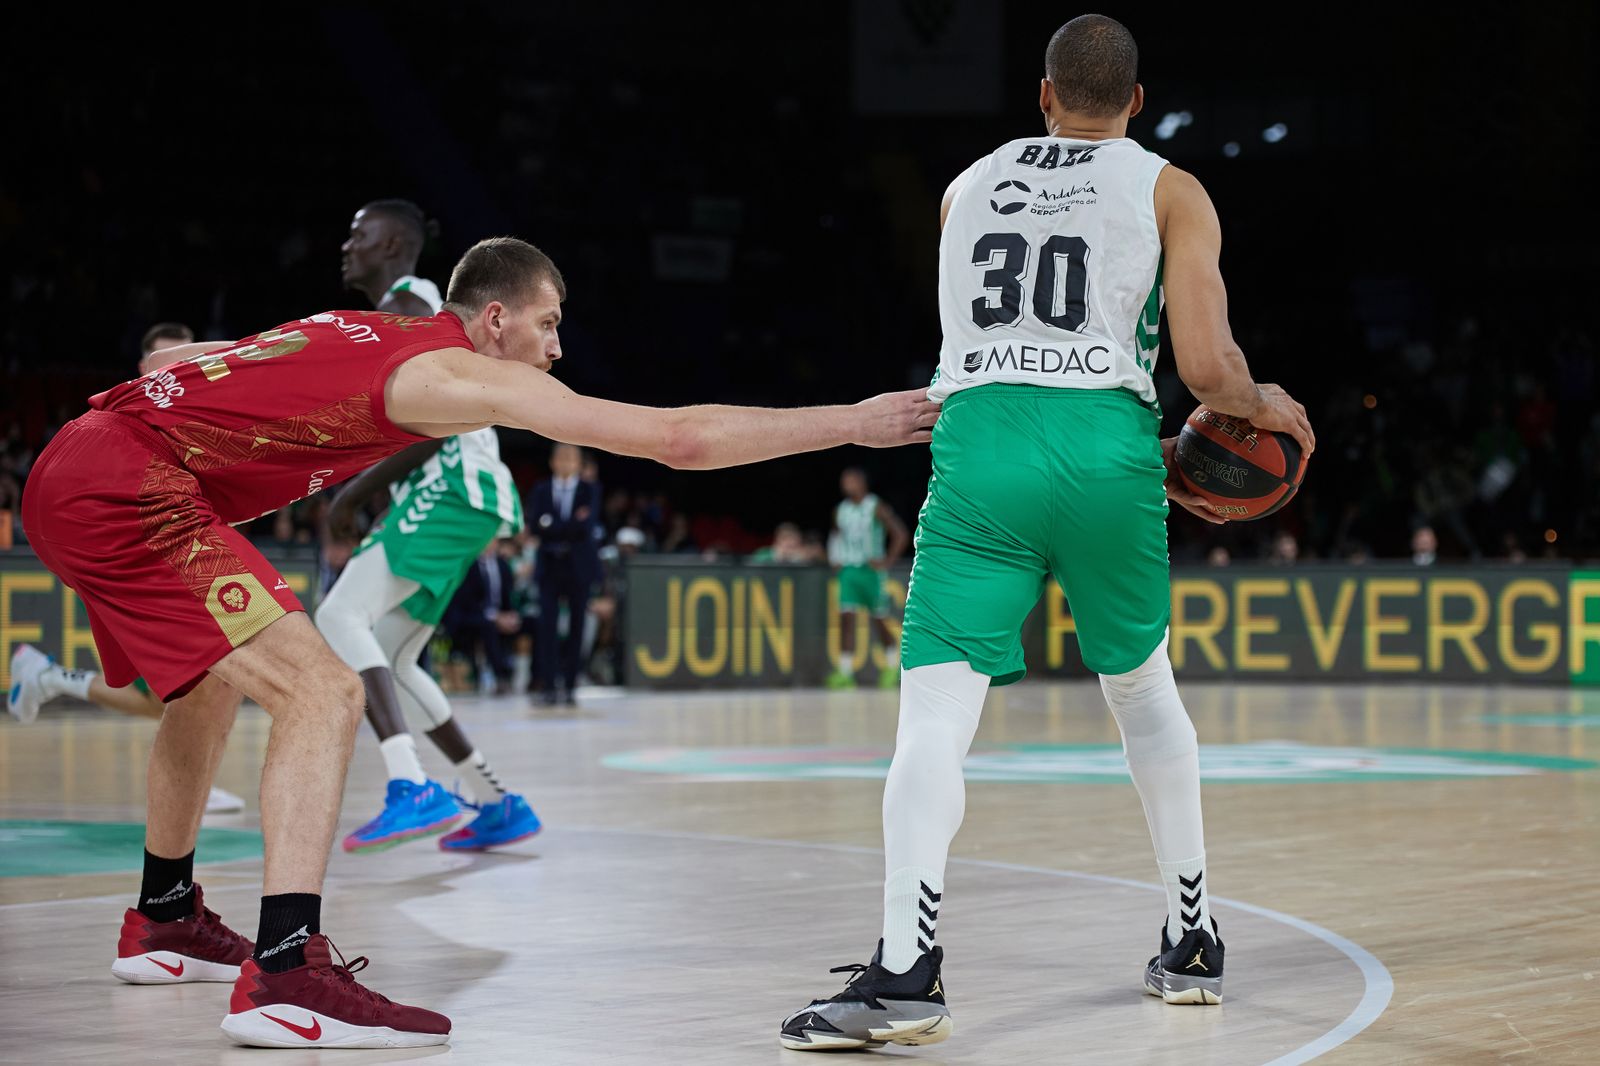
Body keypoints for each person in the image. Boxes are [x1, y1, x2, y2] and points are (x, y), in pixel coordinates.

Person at [21, 235, 935, 1049]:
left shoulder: (367, 328)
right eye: (549, 324)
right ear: (494, 320)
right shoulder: (457, 374)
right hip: (132, 488)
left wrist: (175, 373)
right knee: (325, 692)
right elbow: (676, 439)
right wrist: (854, 423)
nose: (558, 349)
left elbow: (215, 354)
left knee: (209, 686)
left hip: (89, 458)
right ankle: (288, 973)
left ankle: (167, 916)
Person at [780, 16, 1313, 1051]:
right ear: (1138, 103)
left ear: (1042, 96)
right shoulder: (1169, 186)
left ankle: (905, 971)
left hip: (980, 446)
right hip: (1110, 449)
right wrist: (1266, 402)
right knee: (1143, 691)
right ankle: (1194, 940)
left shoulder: (963, 186)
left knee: (935, 715)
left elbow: (1012, 332)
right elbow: (1205, 372)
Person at [316, 201, 539, 854]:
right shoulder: (397, 311)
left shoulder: (410, 301)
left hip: (453, 484)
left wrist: (350, 499)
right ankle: (497, 802)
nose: (346, 244)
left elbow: (442, 414)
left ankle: (409, 785)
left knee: (338, 617)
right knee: (393, 653)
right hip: (460, 493)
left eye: (358, 233)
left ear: (390, 244)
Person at [8, 322, 245, 816]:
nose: (176, 367)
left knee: (183, 686)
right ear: (143, 369)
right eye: (165, 359)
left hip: (163, 547)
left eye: (185, 358)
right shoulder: (123, 414)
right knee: (203, 675)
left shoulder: (198, 414)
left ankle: (49, 677)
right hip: (126, 548)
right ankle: (191, 784)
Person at [527, 443, 602, 705]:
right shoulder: (541, 489)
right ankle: (548, 686)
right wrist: (568, 525)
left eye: (572, 457)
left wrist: (553, 525)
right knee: (546, 626)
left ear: (579, 463)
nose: (566, 461)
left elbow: (586, 526)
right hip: (549, 565)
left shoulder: (590, 490)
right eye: (562, 456)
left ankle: (570, 685)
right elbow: (536, 525)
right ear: (552, 462)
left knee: (577, 627)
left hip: (578, 567)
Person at [826, 468, 909, 689]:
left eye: (851, 480)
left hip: (871, 572)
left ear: (862, 482)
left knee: (878, 620)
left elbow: (900, 533)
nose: (847, 484)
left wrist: (887, 560)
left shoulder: (875, 506)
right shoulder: (841, 510)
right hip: (849, 571)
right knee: (846, 619)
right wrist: (835, 557)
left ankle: (892, 667)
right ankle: (845, 672)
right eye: (845, 480)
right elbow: (835, 535)